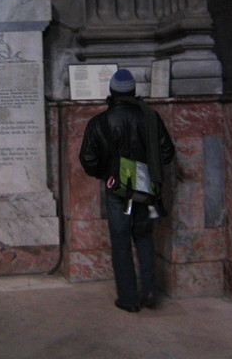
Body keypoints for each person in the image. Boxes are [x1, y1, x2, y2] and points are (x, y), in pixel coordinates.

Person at [79, 68, 175, 313]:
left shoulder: (99, 122)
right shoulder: (150, 117)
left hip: (116, 190)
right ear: (133, 91)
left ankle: (129, 300)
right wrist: (145, 169)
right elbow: (167, 153)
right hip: (146, 188)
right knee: (144, 237)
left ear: (111, 92)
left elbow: (88, 160)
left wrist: (107, 174)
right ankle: (149, 289)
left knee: (120, 242)